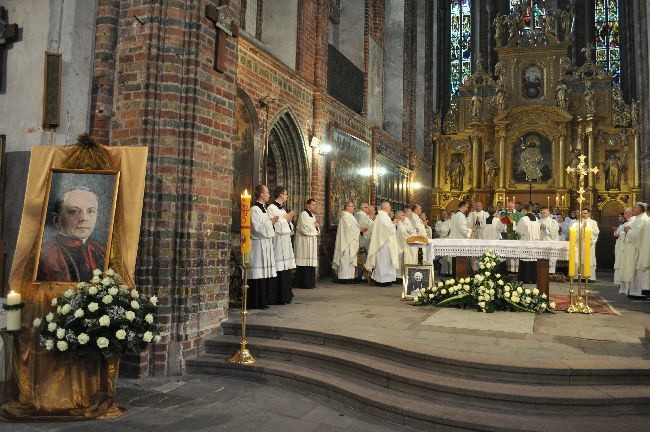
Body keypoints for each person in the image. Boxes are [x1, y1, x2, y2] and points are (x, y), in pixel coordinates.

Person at [37, 187, 107, 282]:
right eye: (74, 211)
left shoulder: (104, 250)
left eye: (90, 211)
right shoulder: (41, 255)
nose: (84, 218)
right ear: (56, 220)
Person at [247, 185, 278, 309]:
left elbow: (265, 226)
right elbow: (257, 228)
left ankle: (263, 300)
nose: (269, 195)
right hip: (257, 245)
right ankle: (255, 301)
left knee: (264, 273)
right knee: (257, 274)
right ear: (261, 194)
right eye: (267, 193)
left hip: (265, 244)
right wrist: (271, 222)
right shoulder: (254, 209)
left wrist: (271, 222)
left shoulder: (264, 209)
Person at [266, 186, 296, 304]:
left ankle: (286, 295)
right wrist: (287, 218)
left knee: (285, 268)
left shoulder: (282, 209)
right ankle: (277, 296)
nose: (287, 196)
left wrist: (289, 220)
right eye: (285, 194)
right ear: (280, 195)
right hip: (277, 242)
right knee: (279, 268)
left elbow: (289, 225)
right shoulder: (271, 208)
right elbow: (275, 225)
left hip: (285, 241)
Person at [365, 201, 399, 286]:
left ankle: (387, 280)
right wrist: (394, 224)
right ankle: (382, 281)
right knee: (383, 262)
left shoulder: (384, 216)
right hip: (383, 244)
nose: (390, 208)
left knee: (387, 262)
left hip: (386, 243)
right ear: (385, 208)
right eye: (389, 207)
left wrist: (392, 224)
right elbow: (386, 228)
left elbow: (387, 227)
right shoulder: (381, 216)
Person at [332, 202, 363, 283]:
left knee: (350, 260)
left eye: (353, 206)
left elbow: (354, 227)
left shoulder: (350, 217)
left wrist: (359, 229)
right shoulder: (345, 216)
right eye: (352, 206)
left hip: (351, 241)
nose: (353, 208)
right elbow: (349, 229)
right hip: (346, 242)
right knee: (345, 259)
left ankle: (350, 277)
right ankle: (343, 278)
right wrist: (359, 230)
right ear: (347, 207)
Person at [624, 203, 650, 298]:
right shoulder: (639, 218)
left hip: (639, 248)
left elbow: (637, 235)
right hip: (637, 247)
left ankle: (637, 292)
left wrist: (628, 231)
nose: (633, 209)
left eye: (635, 207)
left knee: (637, 269)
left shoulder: (642, 219)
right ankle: (634, 291)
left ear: (641, 209)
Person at [293, 199, 320, 289]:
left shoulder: (312, 215)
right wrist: (314, 227)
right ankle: (303, 283)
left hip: (310, 242)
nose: (314, 206)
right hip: (304, 242)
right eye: (313, 204)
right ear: (307, 205)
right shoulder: (304, 214)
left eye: (315, 205)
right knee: (304, 263)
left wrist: (315, 228)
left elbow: (316, 227)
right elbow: (304, 229)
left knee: (310, 263)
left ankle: (310, 283)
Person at [570, 208, 599, 281]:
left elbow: (596, 233)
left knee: (588, 259)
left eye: (585, 213)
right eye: (582, 213)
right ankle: (578, 276)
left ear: (589, 214)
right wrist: (579, 230)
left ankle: (589, 276)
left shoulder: (593, 222)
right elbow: (574, 232)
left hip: (588, 244)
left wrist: (587, 228)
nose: (583, 215)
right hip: (579, 243)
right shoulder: (577, 222)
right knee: (578, 258)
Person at [516, 203, 541, 283]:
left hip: (525, 243)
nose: (522, 212)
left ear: (524, 210)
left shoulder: (523, 219)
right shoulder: (536, 219)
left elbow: (519, 231)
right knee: (533, 260)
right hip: (534, 243)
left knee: (525, 259)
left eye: (522, 210)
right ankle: (533, 279)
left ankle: (525, 278)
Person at [449, 201, 472, 276]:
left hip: (454, 241)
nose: (467, 208)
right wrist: (471, 231)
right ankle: (460, 278)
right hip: (460, 242)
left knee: (455, 260)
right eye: (467, 207)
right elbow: (463, 229)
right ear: (464, 206)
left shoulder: (454, 215)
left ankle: (455, 277)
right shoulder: (460, 215)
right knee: (460, 261)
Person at [615, 208, 634, 293]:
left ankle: (627, 286)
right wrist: (621, 232)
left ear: (631, 213)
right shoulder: (627, 223)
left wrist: (621, 233)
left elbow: (627, 232)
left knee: (627, 265)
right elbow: (618, 233)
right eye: (624, 213)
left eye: (626, 213)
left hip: (629, 246)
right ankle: (622, 284)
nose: (624, 215)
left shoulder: (632, 221)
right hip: (622, 245)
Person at [355, 202, 374, 280]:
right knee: (361, 258)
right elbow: (364, 226)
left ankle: (364, 275)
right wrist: (372, 222)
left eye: (368, 207)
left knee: (366, 257)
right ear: (362, 208)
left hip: (366, 239)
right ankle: (359, 276)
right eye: (366, 207)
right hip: (361, 240)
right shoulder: (360, 214)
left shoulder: (365, 216)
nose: (368, 209)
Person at [538, 206, 560, 273]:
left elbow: (556, 230)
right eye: (541, 213)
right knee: (541, 257)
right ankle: (540, 271)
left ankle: (551, 272)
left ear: (549, 213)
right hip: (540, 243)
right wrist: (539, 228)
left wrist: (546, 228)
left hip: (550, 242)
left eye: (544, 212)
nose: (542, 214)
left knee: (551, 258)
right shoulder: (538, 221)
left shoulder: (553, 221)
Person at [434, 211, 452, 275]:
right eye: (443, 214)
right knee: (444, 255)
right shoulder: (438, 222)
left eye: (445, 214)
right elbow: (438, 231)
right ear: (441, 215)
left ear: (447, 215)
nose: (444, 215)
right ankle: (445, 271)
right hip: (442, 240)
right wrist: (445, 232)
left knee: (450, 256)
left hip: (450, 240)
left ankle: (451, 271)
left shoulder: (451, 222)